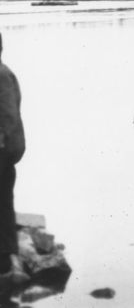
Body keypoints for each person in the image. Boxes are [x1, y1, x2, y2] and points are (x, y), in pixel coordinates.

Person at [0, 32, 25, 278]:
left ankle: (6, 264)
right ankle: (8, 260)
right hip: (8, 150)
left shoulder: (1, 75)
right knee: (4, 203)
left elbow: (7, 118)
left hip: (4, 151)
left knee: (3, 203)